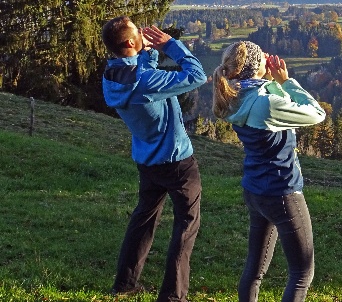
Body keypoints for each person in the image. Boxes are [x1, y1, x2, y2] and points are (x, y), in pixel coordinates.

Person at [101, 16, 207, 302]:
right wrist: (171, 45)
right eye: (138, 33)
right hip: (177, 162)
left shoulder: (112, 76)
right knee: (186, 223)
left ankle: (125, 282)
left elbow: (138, 75)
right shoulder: (147, 81)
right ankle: (173, 296)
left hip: (147, 160)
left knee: (143, 219)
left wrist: (146, 53)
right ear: (130, 42)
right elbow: (197, 75)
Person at [212, 41, 325, 302]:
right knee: (301, 272)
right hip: (282, 191)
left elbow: (269, 104)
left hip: (255, 188)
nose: (268, 59)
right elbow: (316, 114)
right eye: (263, 57)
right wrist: (288, 83)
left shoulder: (236, 96)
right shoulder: (266, 104)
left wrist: (273, 83)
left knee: (255, 268)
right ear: (254, 67)